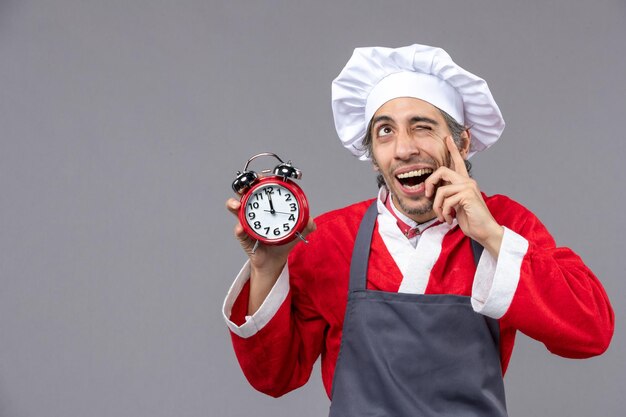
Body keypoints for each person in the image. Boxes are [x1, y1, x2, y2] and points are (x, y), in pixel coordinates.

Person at [222, 44, 614, 416]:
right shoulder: (331, 237)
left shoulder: (506, 224)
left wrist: (491, 236)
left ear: (462, 142)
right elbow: (274, 376)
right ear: (374, 157)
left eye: (422, 127)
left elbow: (591, 332)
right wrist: (267, 267)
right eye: (385, 132)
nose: (404, 149)